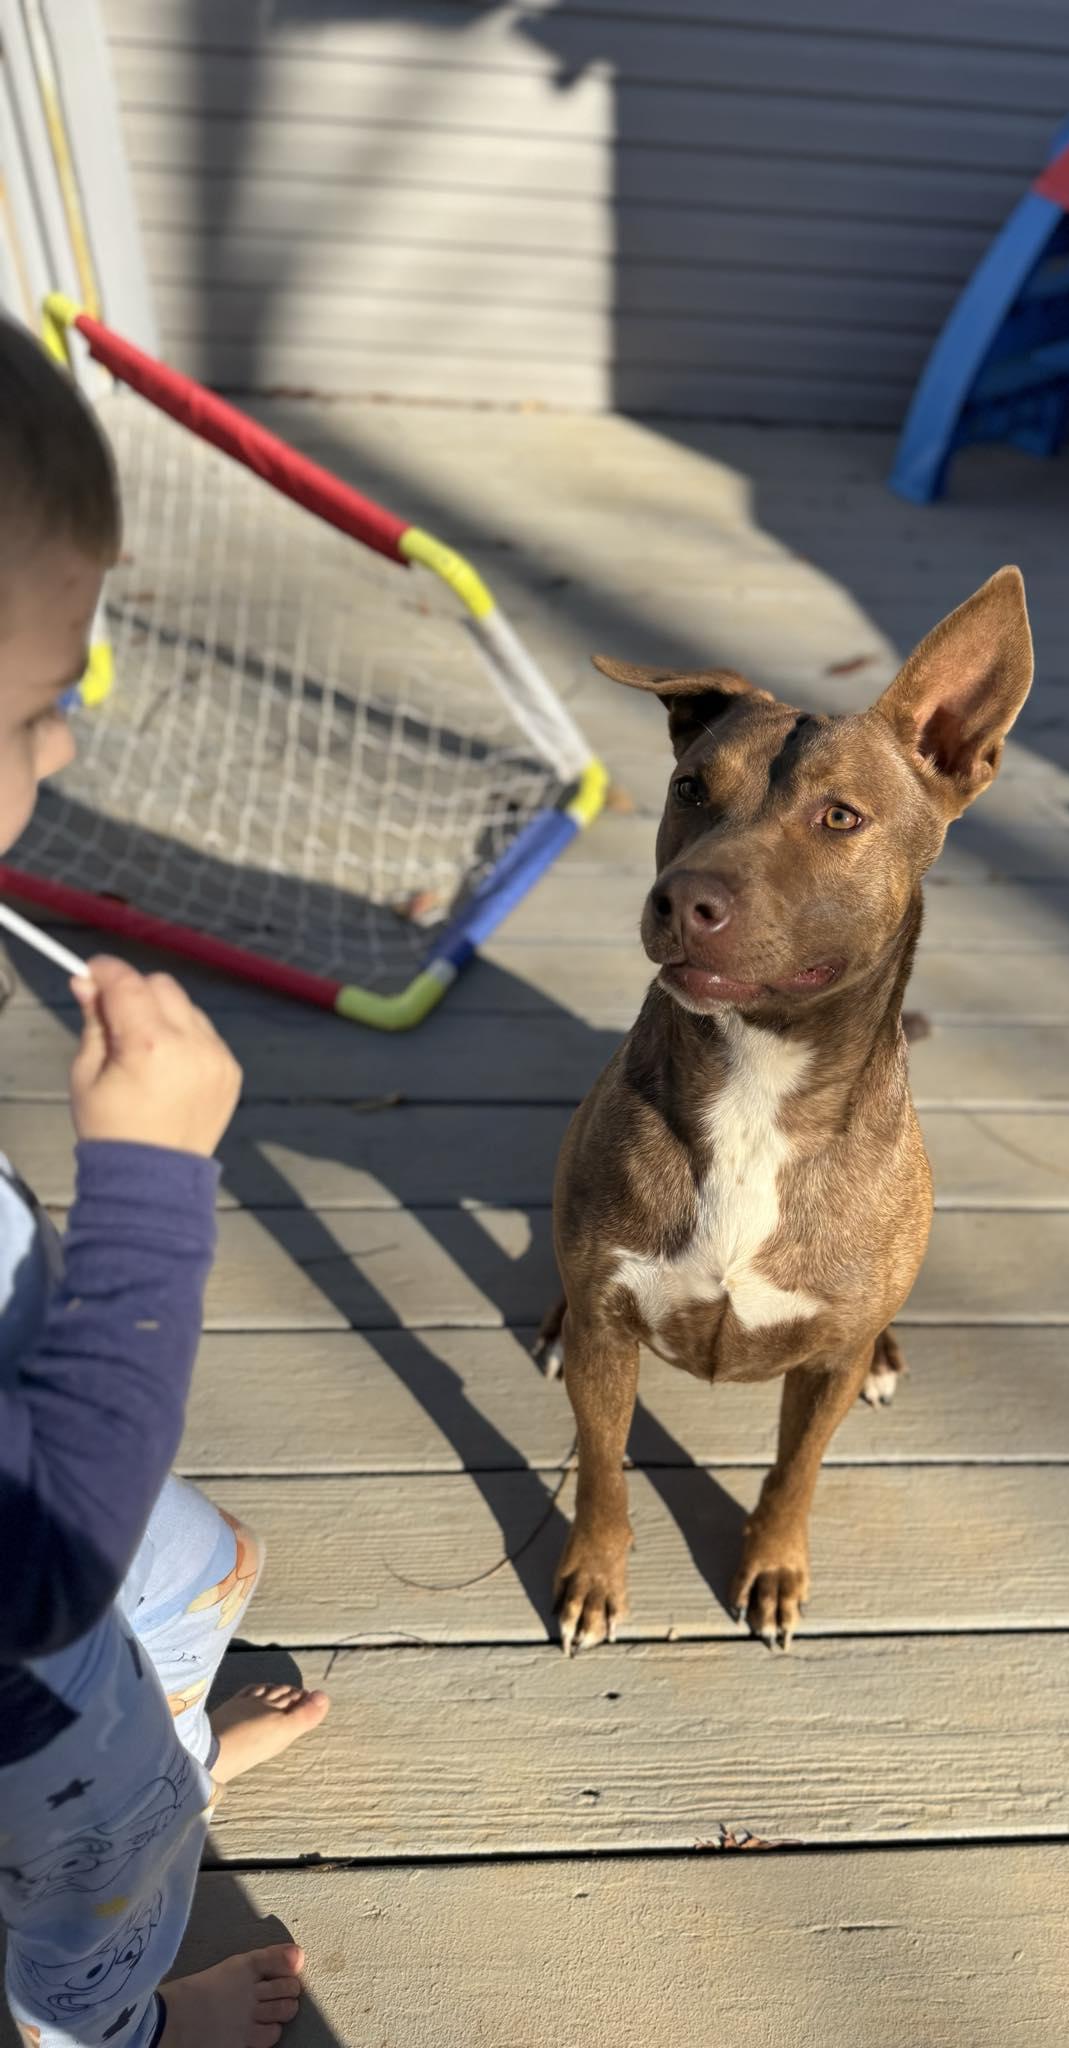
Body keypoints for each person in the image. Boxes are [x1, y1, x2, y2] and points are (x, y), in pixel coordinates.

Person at [0, 314, 330, 2048]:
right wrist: (147, 1183)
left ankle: (173, 1743)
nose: (59, 754)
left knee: (206, 1571)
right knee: (105, 1868)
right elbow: (38, 1563)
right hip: (20, 1670)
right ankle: (114, 2018)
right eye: (42, 704)